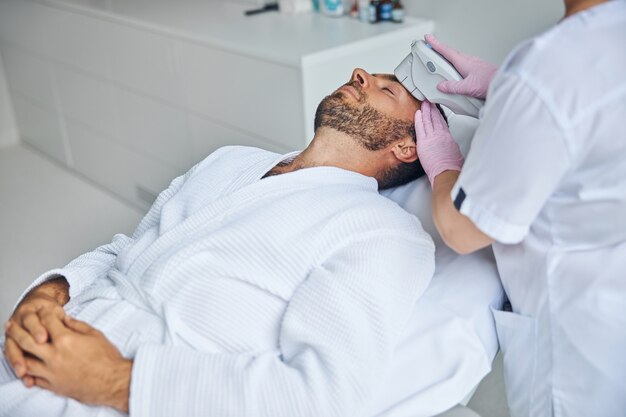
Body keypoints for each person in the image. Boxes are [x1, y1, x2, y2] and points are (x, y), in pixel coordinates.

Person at [1, 68, 437, 417]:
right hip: (45, 337)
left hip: (127, 393)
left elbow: (321, 395)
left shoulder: (381, 233)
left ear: (405, 147)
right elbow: (127, 249)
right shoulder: (231, 159)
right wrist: (49, 292)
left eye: (388, 89)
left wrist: (114, 379)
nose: (361, 74)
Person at [412, 1, 626, 416]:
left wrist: (443, 164)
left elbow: (461, 229)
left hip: (576, 352)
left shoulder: (552, 66)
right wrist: (508, 93)